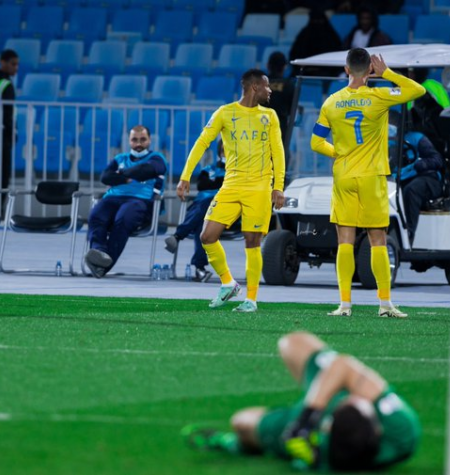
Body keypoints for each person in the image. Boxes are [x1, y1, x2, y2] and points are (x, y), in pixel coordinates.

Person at [181, 331, 421, 472]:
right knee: (292, 342)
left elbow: (317, 460)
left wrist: (301, 428)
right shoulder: (402, 429)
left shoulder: (329, 454)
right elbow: (344, 365)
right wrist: (310, 413)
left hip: (307, 424)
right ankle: (314, 396)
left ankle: (235, 443)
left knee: (241, 423)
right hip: (313, 413)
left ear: (327, 429)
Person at [310, 49, 425, 318]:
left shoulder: (331, 102)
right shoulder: (379, 97)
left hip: (344, 176)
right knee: (377, 241)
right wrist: (387, 73)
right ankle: (385, 304)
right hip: (372, 177)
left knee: (345, 241)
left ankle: (344, 305)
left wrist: (336, 152)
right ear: (369, 71)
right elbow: (417, 90)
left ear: (346, 69)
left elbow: (316, 142)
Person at [176, 69, 285, 313]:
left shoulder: (270, 116)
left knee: (252, 241)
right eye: (267, 86)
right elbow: (202, 143)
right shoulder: (225, 113)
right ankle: (228, 283)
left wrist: (278, 186)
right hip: (231, 184)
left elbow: (278, 152)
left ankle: (252, 300)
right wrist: (185, 177)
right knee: (207, 236)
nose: (270, 91)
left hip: (259, 186)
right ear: (254, 87)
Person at [84, 125, 167, 278]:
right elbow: (105, 177)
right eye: (134, 140)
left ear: (149, 141)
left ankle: (104, 265)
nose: (138, 144)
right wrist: (133, 175)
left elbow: (146, 171)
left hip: (139, 200)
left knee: (122, 219)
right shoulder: (119, 158)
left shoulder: (156, 158)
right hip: (113, 197)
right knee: (96, 215)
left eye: (143, 139)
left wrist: (121, 174)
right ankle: (99, 252)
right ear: (129, 141)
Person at [164, 139, 227, 283]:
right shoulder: (208, 169)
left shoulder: (240, 172)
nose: (227, 154)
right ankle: (200, 270)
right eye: (224, 150)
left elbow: (216, 185)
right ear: (219, 152)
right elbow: (202, 185)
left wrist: (216, 183)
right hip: (203, 209)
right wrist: (220, 182)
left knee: (208, 204)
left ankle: (178, 236)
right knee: (202, 224)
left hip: (225, 212)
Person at [400, 133, 445, 245]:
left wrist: (420, 164)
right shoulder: (384, 138)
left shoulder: (416, 138)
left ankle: (409, 235)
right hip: (401, 177)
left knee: (411, 190)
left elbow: (437, 159)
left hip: (428, 178)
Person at [289, 9, 342, 77]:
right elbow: (294, 55)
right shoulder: (304, 35)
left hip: (327, 73)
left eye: (320, 21)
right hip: (305, 72)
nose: (317, 24)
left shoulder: (331, 36)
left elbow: (337, 56)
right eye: (314, 21)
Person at [0, 49, 19, 215]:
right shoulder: (6, 84)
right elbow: (8, 115)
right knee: (2, 176)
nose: (16, 68)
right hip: (1, 136)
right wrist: (12, 135)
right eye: (13, 64)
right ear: (2, 62)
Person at [267, 51, 295, 151]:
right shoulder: (289, 85)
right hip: (280, 128)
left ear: (268, 66)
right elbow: (292, 109)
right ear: (284, 67)